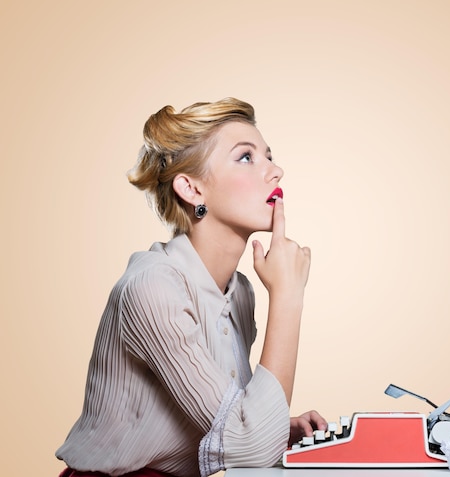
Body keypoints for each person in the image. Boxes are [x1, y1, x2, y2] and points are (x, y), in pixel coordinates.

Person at [56, 98, 327, 477]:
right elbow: (250, 448)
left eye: (269, 155)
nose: (276, 171)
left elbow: (231, 424)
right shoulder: (151, 287)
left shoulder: (240, 292)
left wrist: (278, 423)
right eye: (246, 158)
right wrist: (288, 297)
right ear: (192, 189)